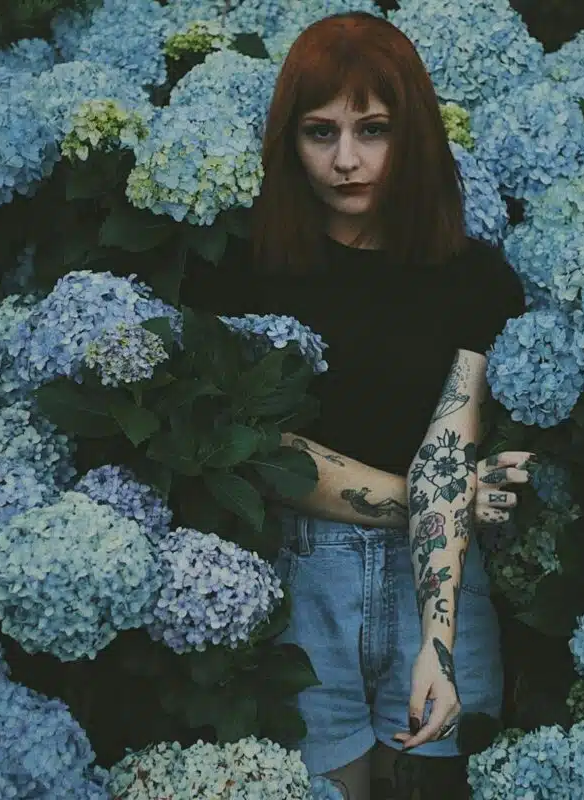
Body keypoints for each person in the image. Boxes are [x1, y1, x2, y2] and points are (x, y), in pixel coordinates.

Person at [180, 12, 530, 799]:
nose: (346, 160)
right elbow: (259, 452)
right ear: (287, 141)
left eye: (373, 130)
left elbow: (449, 440)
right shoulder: (240, 272)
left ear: (415, 139)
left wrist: (435, 647)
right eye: (319, 132)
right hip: (303, 582)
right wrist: (444, 507)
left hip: (437, 585)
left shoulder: (473, 280)